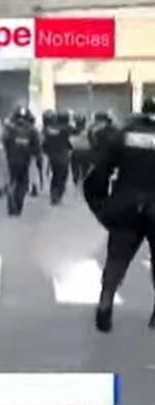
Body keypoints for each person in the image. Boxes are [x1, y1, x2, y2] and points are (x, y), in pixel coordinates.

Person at [85, 97, 154, 333]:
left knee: (117, 258)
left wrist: (100, 204)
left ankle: (105, 306)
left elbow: (101, 169)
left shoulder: (124, 134)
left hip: (126, 205)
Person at [3, 106, 41, 217]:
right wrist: (38, 158)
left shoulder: (9, 129)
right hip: (25, 161)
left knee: (12, 180)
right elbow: (37, 147)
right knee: (22, 184)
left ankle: (11, 196)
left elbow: (4, 142)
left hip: (11, 160)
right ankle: (18, 206)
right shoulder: (32, 130)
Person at [43, 110, 72, 206]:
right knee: (63, 175)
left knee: (55, 174)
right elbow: (72, 140)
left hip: (52, 155)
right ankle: (58, 194)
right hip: (63, 155)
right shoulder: (68, 128)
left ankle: (53, 193)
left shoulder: (49, 128)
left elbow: (45, 142)